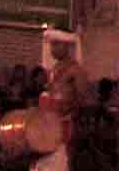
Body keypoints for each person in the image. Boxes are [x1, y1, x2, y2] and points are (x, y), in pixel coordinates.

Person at [35, 33, 90, 171]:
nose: (52, 49)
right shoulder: (54, 69)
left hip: (65, 128)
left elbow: (84, 101)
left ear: (67, 46)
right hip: (48, 128)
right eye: (52, 45)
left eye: (56, 44)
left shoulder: (76, 71)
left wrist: (67, 110)